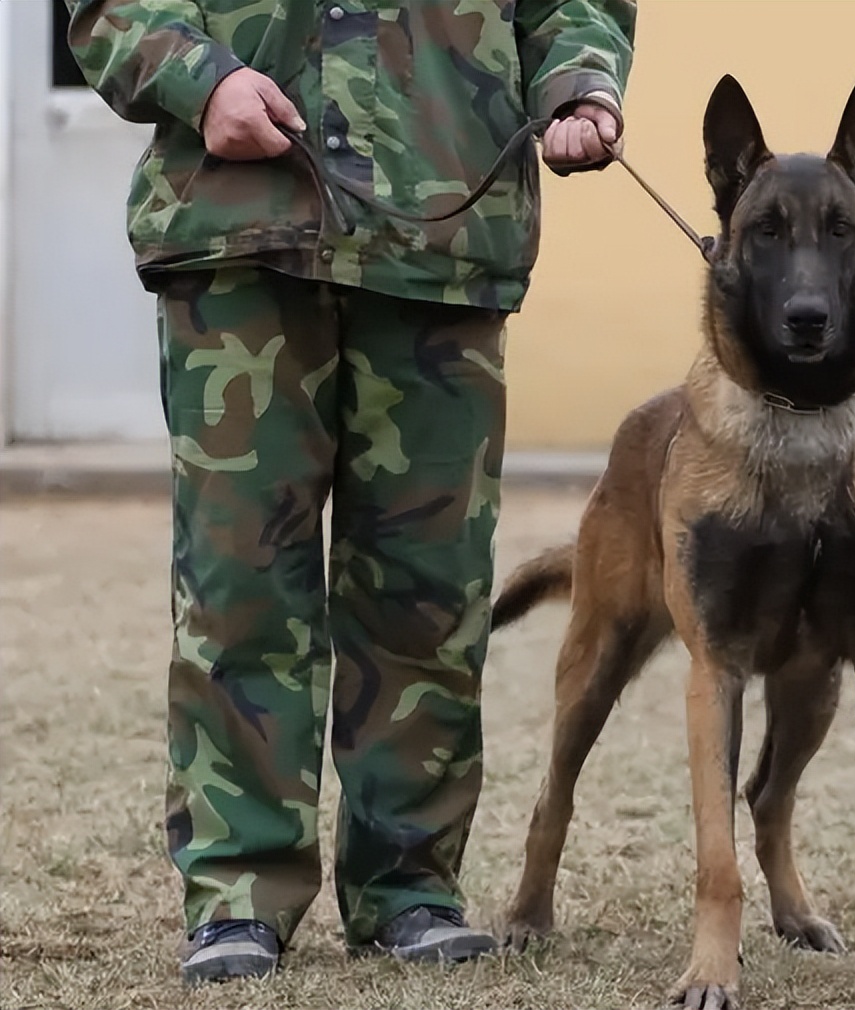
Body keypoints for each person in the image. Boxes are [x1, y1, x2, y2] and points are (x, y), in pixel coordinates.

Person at [66, 0, 635, 986]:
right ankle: (239, 894)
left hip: (442, 235)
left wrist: (578, 81)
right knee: (239, 584)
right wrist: (201, 80)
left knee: (428, 587)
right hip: (243, 228)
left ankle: (410, 886)